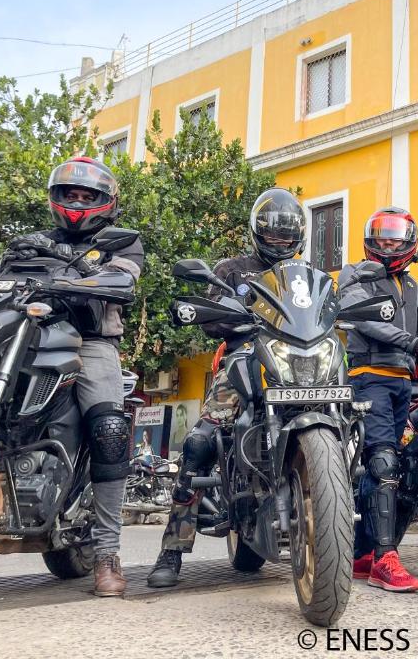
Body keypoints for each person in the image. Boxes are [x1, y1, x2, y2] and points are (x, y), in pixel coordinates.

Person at [147, 187, 306, 588]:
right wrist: (231, 317)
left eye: (288, 236)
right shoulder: (232, 269)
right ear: (258, 231)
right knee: (199, 443)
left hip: (295, 365)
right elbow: (211, 314)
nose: (281, 242)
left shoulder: (305, 276)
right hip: (244, 360)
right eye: (273, 234)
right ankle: (171, 550)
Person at [0, 156, 143, 597]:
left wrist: (84, 276)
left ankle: (107, 554)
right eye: (70, 194)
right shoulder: (28, 242)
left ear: (107, 202)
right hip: (26, 337)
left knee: (110, 427)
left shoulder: (120, 242)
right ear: (56, 198)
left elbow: (123, 282)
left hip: (90, 342)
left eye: (88, 196)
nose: (78, 201)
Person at [340, 207, 418, 593]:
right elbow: (359, 317)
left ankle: (363, 555)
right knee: (382, 460)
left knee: (390, 462)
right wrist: (412, 343)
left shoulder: (412, 287)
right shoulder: (355, 272)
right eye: (381, 235)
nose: (387, 241)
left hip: (403, 384)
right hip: (369, 377)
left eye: (395, 236)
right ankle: (385, 558)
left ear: (410, 241)